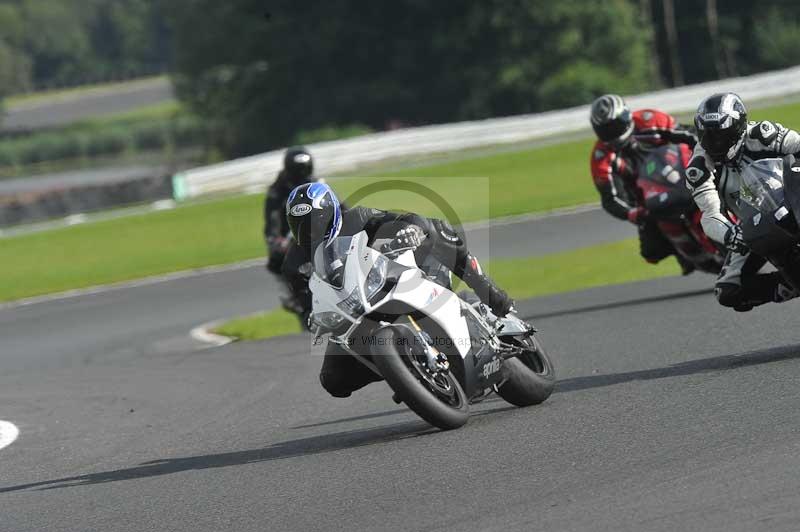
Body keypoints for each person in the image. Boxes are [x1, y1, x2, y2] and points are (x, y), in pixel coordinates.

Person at [283, 182, 514, 398]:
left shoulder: (357, 217)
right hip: (351, 313)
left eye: (316, 220)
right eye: (300, 226)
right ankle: (405, 371)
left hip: (387, 277)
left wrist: (410, 229)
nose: (309, 231)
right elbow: (306, 302)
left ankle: (487, 289)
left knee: (435, 229)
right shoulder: (294, 262)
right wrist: (311, 317)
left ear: (331, 212)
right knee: (333, 380)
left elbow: (402, 219)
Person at [685, 92, 800, 311]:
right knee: (729, 290)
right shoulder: (698, 168)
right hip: (751, 226)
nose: (715, 143)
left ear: (739, 127)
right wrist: (731, 234)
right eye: (707, 135)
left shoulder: (764, 135)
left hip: (793, 202)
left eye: (721, 134)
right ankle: (790, 285)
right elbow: (710, 215)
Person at [589, 94, 698, 273]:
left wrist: (708, 150)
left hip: (684, 173)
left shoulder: (651, 120)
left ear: (626, 117)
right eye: (605, 130)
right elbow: (610, 198)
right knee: (652, 250)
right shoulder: (601, 157)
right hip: (648, 199)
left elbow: (689, 134)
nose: (611, 133)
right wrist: (632, 213)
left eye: (614, 126)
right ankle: (682, 253)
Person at [263, 146, 317, 275]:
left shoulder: (316, 183)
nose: (302, 174)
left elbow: (338, 204)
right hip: (289, 236)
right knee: (277, 262)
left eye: (305, 169)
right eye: (298, 170)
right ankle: (296, 291)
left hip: (316, 231)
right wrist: (275, 239)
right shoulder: (277, 190)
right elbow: (272, 217)